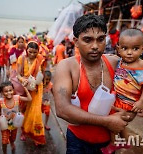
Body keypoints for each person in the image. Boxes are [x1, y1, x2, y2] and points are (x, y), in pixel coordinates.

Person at [53, 14, 134, 154]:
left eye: (101, 39)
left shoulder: (115, 63)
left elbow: (134, 95)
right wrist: (107, 121)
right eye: (88, 40)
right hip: (77, 141)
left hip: (107, 142)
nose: (95, 46)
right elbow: (62, 109)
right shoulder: (66, 67)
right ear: (76, 42)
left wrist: (127, 114)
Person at [103, 28, 143, 153]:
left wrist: (142, 101)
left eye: (135, 49)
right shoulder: (120, 61)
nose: (129, 53)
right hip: (118, 100)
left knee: (113, 122)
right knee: (120, 122)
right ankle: (125, 142)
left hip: (129, 103)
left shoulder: (141, 65)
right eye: (125, 48)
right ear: (118, 48)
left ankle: (113, 144)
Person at [16, 41, 46, 145]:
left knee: (36, 112)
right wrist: (22, 80)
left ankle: (37, 136)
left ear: (38, 51)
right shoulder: (22, 58)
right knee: (23, 110)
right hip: (25, 87)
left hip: (37, 88)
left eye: (35, 52)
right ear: (26, 50)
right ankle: (23, 132)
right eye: (30, 52)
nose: (32, 54)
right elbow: (18, 75)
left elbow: (43, 73)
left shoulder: (40, 59)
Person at [0, 81, 32, 154]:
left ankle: (12, 143)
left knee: (13, 138)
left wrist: (25, 88)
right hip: (5, 125)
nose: (9, 93)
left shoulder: (17, 98)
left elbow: (29, 99)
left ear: (13, 90)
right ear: (2, 92)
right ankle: (5, 152)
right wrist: (0, 119)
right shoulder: (1, 101)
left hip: (14, 124)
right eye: (6, 91)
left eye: (10, 90)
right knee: (4, 141)